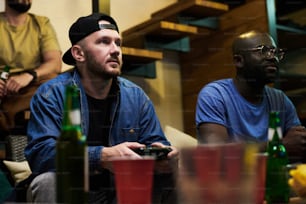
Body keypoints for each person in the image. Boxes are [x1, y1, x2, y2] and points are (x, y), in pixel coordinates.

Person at [24, 13, 178, 203]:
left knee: (176, 177)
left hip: (121, 191)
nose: (115, 50)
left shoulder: (136, 96)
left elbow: (155, 142)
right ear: (78, 53)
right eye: (104, 42)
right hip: (75, 191)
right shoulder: (52, 94)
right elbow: (41, 155)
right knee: (49, 181)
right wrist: (102, 156)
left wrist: (165, 157)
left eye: (118, 43)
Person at [195, 30, 306, 163]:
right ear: (238, 61)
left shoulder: (280, 100)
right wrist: (277, 146)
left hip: (273, 179)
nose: (272, 57)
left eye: (275, 52)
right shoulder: (215, 95)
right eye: (263, 51)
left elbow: (297, 147)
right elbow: (216, 155)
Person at [0, 0, 62, 136]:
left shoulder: (41, 23)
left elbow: (55, 63)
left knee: (56, 86)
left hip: (33, 85)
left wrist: (30, 75)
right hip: (3, 89)